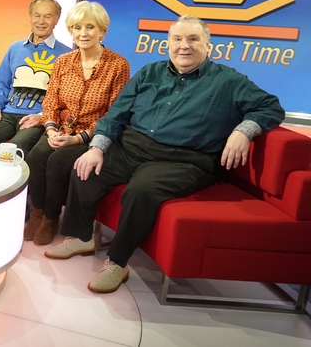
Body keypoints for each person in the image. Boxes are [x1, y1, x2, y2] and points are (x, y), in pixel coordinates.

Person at [45, 15, 284, 293]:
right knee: (82, 164)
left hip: (184, 159)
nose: (184, 46)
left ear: (209, 45)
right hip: (131, 146)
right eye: (177, 39)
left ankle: (117, 263)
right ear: (167, 44)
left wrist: (243, 130)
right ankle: (82, 237)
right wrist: (97, 147)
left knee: (140, 191)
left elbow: (271, 107)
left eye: (193, 39)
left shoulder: (228, 80)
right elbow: (117, 114)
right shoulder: (150, 72)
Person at [22, 1, 130, 246]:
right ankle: (37, 212)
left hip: (91, 134)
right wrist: (50, 129)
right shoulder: (63, 61)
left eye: (90, 27)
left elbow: (115, 114)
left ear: (102, 31)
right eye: (77, 27)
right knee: (36, 157)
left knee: (58, 162)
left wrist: (78, 138)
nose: (83, 33)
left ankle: (51, 218)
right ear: (71, 31)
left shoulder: (118, 65)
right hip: (58, 129)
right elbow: (50, 102)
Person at [0, 0, 71, 155]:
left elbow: (65, 97)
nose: (41, 21)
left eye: (47, 16)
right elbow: (1, 84)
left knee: (16, 147)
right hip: (6, 114)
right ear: (30, 17)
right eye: (37, 15)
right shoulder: (15, 48)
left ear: (56, 20)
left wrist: (43, 116)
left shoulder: (66, 55)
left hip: (37, 118)